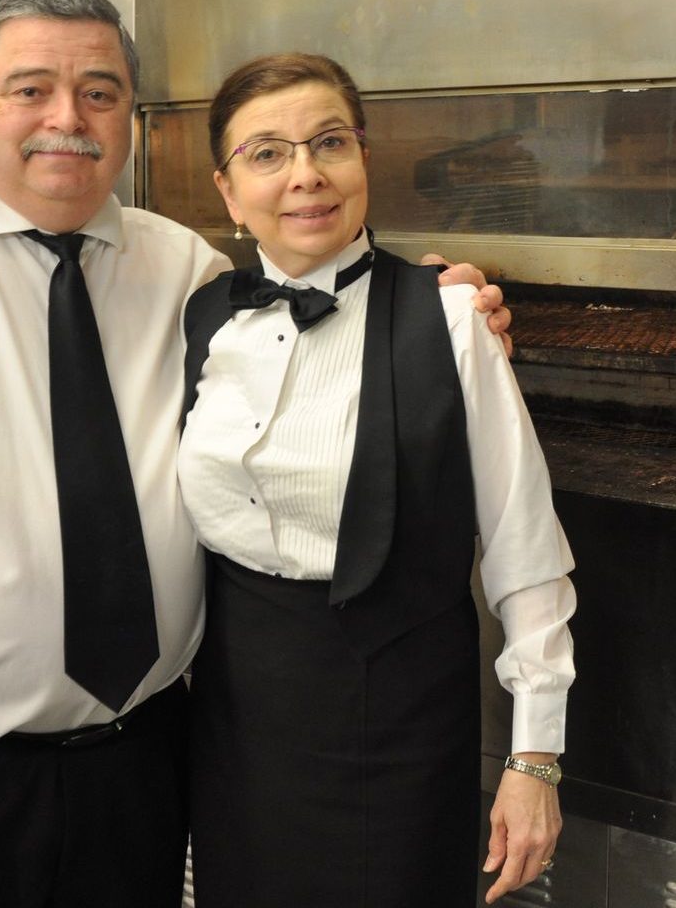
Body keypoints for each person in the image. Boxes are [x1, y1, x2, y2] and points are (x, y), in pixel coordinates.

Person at [0, 0, 509, 908]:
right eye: (30, 88)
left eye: (100, 92)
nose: (67, 118)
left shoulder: (193, 275)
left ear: (129, 113)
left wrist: (437, 312)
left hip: (145, 763)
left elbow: (327, 357)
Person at [178, 52, 574, 907]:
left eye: (329, 143)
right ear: (227, 189)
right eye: (268, 153)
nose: (306, 175)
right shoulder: (205, 316)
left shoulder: (450, 319)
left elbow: (524, 550)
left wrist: (533, 759)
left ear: (364, 158)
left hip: (397, 714)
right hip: (236, 714)